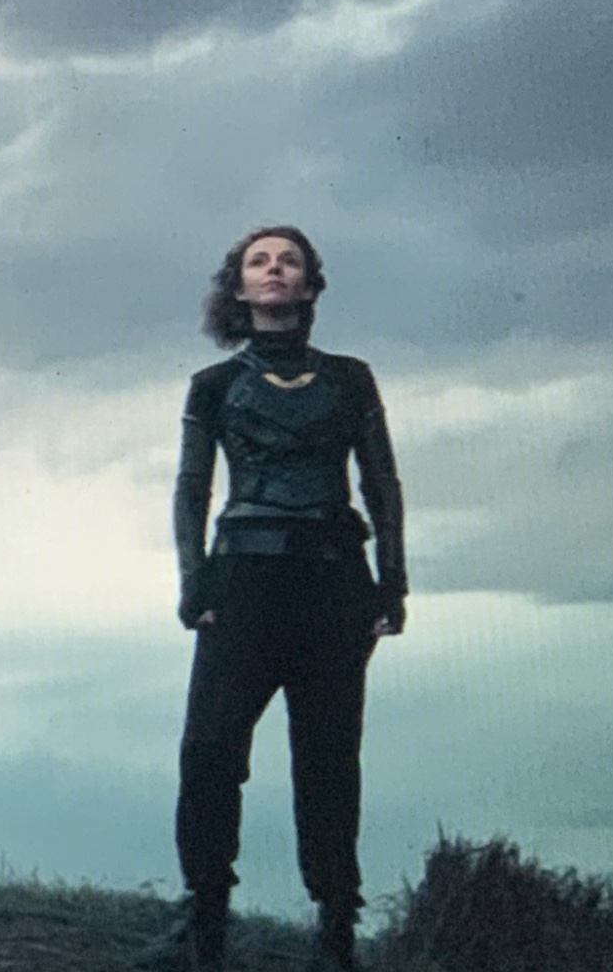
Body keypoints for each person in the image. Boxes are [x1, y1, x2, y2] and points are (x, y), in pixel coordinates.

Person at [141, 226, 406, 972]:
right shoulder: (214, 385)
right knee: (209, 750)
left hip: (332, 582)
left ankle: (336, 930)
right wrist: (194, 585)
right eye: (259, 261)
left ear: (310, 284)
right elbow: (192, 488)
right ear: (239, 287)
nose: (275, 269)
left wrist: (392, 584)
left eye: (289, 260)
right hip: (242, 583)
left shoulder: (350, 379)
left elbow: (381, 483)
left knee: (328, 756)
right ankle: (204, 921)